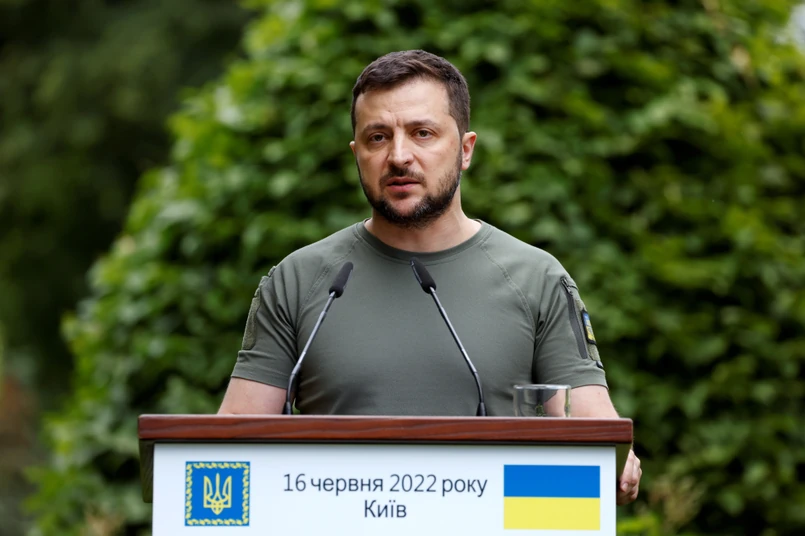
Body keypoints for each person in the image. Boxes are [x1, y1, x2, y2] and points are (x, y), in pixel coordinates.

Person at [218, 50, 641, 504]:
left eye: (423, 133)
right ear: (357, 154)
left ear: (465, 149)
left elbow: (592, 432)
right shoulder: (297, 281)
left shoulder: (536, 278)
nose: (399, 156)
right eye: (377, 137)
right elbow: (230, 448)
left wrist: (614, 462)